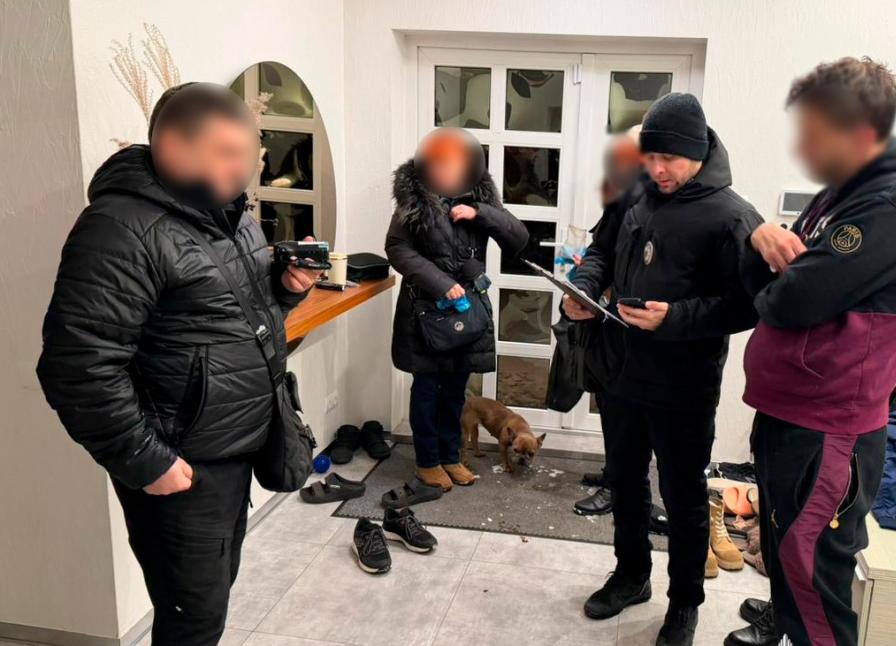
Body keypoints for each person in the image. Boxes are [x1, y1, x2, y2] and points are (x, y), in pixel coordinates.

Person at [36, 82, 319, 646]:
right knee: (193, 620)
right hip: (182, 464)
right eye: (226, 153)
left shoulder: (227, 214)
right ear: (171, 145)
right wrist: (146, 460)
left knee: (211, 598)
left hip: (230, 449)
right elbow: (77, 364)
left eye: (249, 154)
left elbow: (226, 316)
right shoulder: (119, 229)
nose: (243, 169)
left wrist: (286, 290)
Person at [726, 57, 896, 646]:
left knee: (816, 587)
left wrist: (777, 274)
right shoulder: (840, 193)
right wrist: (762, 242)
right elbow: (774, 278)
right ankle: (782, 620)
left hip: (827, 427)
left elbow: (792, 299)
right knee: (787, 553)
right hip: (792, 411)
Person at [565, 93, 762, 646]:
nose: (657, 169)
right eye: (649, 157)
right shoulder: (633, 194)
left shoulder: (733, 216)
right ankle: (631, 576)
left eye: (668, 158)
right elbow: (599, 252)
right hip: (621, 372)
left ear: (697, 152)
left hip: (684, 385)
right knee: (625, 483)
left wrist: (673, 318)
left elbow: (746, 306)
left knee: (683, 497)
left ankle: (684, 604)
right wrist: (582, 290)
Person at [386, 128, 528, 492]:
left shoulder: (480, 196)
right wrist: (439, 282)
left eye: (452, 163)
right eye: (438, 163)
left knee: (455, 392)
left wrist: (481, 213)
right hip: (426, 314)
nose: (444, 170)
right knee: (427, 391)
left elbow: (518, 239)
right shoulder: (414, 199)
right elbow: (397, 248)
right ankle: (427, 462)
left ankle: (450, 456)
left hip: (467, 313)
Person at [570, 126, 645, 517]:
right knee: (611, 403)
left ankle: (621, 487)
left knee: (634, 416)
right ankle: (615, 472)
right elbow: (600, 252)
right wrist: (581, 289)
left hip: (653, 337)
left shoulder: (690, 205)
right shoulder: (624, 193)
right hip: (614, 325)